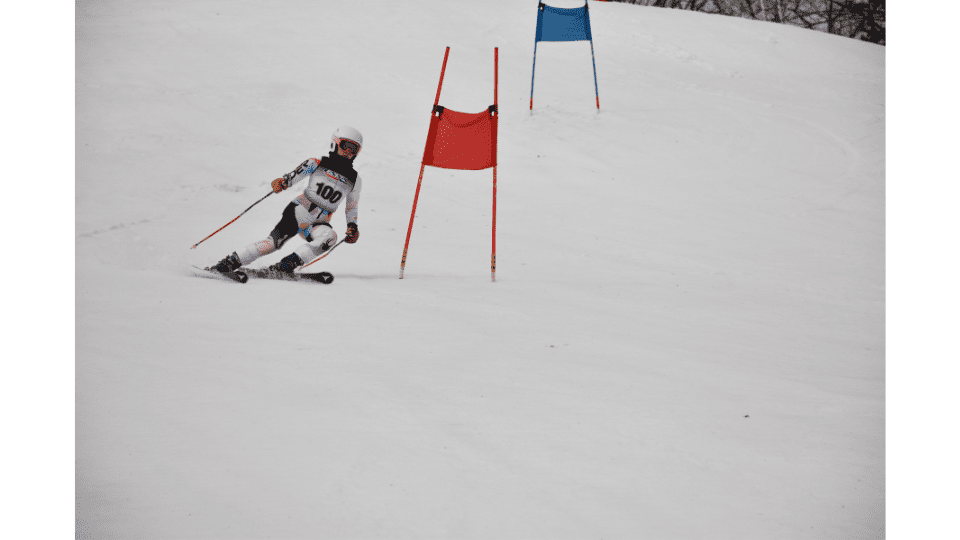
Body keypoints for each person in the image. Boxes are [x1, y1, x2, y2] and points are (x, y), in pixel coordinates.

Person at [211, 126, 363, 274]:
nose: (348, 151)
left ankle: (286, 266)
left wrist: (352, 227)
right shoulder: (316, 163)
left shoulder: (355, 180)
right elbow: (290, 178)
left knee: (329, 238)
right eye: (345, 146)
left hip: (319, 222)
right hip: (299, 212)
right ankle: (230, 262)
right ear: (335, 143)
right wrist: (281, 183)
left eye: (354, 148)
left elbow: (352, 206)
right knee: (273, 244)